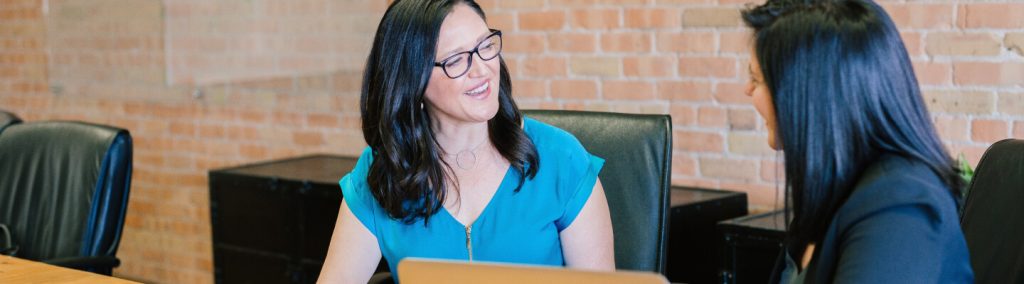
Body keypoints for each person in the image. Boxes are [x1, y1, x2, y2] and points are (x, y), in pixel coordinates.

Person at [317, 0, 615, 282]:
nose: (483, 69)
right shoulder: (382, 172)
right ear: (413, 80)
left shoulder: (561, 158)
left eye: (485, 46)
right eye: (456, 60)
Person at [741, 0, 974, 282]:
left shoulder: (899, 206)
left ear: (810, 92)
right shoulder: (835, 185)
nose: (747, 89)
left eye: (756, 78)